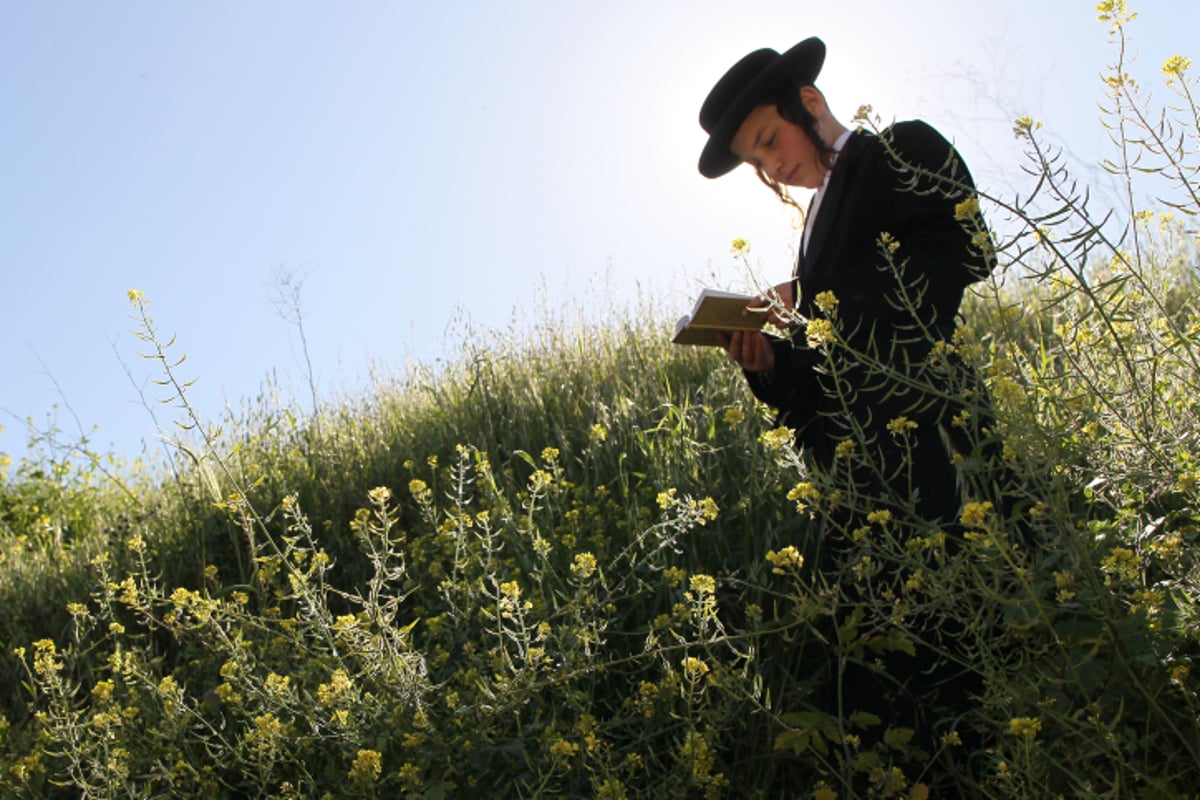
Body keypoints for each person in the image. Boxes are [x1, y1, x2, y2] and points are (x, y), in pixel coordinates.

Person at [696, 36, 1008, 785]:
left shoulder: (897, 150)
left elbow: (963, 248)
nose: (772, 166)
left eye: (769, 141)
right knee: (877, 681)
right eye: (757, 162)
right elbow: (820, 388)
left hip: (937, 447)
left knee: (968, 654)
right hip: (861, 488)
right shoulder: (807, 237)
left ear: (809, 104)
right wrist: (768, 363)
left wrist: (809, 301)